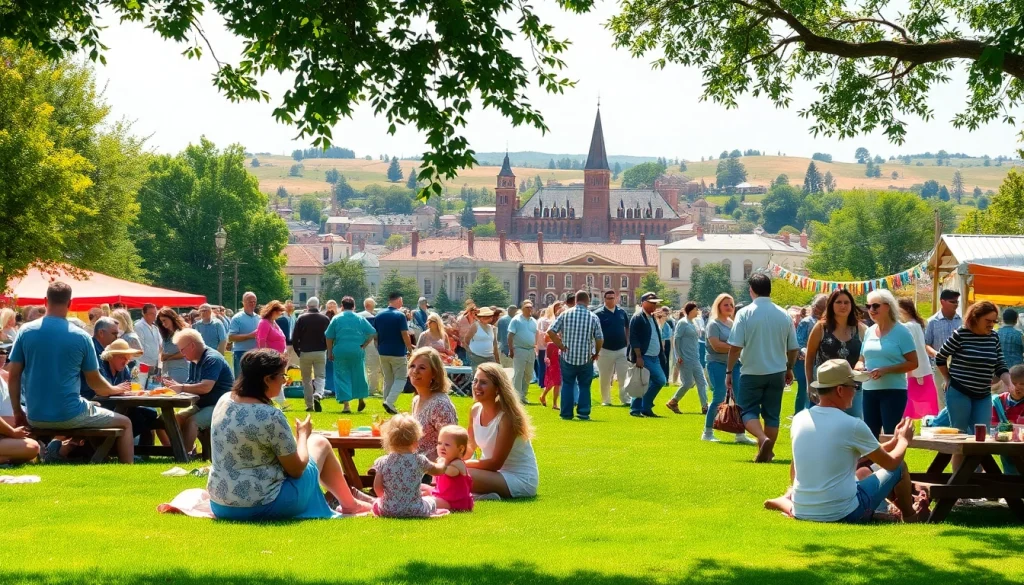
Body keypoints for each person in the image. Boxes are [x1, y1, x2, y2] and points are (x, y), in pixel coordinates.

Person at [208, 349, 372, 520]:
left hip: (221, 504)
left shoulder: (225, 400)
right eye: (282, 377)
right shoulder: (270, 415)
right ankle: (350, 504)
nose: (284, 382)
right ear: (267, 379)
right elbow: (296, 469)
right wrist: (303, 435)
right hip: (264, 505)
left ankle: (350, 503)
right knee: (319, 442)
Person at [765, 359, 926, 523]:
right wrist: (904, 441)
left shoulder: (800, 419)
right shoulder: (852, 425)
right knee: (900, 467)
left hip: (802, 509)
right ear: (840, 390)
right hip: (844, 513)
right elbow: (891, 463)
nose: (856, 391)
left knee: (863, 472)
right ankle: (911, 517)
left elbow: (799, 465)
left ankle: (785, 501)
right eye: (854, 386)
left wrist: (895, 441)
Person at [7, 282, 135, 464]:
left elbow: (13, 375)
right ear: (70, 303)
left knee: (88, 404)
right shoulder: (81, 336)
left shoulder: (24, 332)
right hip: (70, 415)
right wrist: (115, 389)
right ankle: (127, 470)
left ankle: (61, 451)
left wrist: (18, 411)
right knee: (126, 422)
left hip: (35, 415)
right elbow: (95, 383)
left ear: (45, 301)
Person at [726, 273, 799, 463]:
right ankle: (765, 451)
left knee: (746, 410)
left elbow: (735, 347)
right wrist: (789, 368)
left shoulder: (744, 313)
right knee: (772, 414)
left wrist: (728, 371)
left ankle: (761, 438)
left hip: (751, 371)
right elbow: (793, 348)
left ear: (751, 290)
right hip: (777, 371)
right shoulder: (783, 314)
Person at [936, 301, 1011, 452]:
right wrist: (947, 378)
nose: (991, 325)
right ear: (975, 318)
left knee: (982, 437)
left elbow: (1000, 365)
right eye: (987, 321)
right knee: (960, 437)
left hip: (983, 394)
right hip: (959, 392)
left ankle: (977, 474)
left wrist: (1009, 384)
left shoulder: (994, 337)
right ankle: (960, 475)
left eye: (994, 321)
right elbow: (940, 357)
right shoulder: (960, 334)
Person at [465, 363, 539, 499]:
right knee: (449, 471)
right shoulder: (475, 410)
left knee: (459, 473)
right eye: (475, 381)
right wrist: (449, 460)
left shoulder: (507, 418)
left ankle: (476, 496)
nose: (476, 387)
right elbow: (469, 448)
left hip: (517, 478)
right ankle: (483, 495)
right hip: (490, 473)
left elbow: (495, 463)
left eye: (483, 383)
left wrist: (460, 464)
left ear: (498, 389)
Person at [860, 290, 918, 438]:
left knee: (892, 436)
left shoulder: (902, 332)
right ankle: (870, 463)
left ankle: (895, 462)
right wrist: (859, 368)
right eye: (868, 306)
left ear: (888, 306)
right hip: (868, 391)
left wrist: (887, 370)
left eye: (875, 306)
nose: (871, 310)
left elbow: (913, 363)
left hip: (893, 391)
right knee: (870, 438)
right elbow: (861, 359)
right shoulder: (869, 331)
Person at [168, 328, 236, 452]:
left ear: (192, 345)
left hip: (221, 406)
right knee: (175, 418)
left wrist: (181, 388)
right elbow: (191, 384)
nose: (182, 354)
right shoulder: (195, 360)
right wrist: (174, 388)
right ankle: (174, 450)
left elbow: (205, 387)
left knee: (192, 421)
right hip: (204, 405)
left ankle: (185, 455)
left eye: (182, 350)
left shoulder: (212, 359)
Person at [370, 413, 449, 517]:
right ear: (416, 440)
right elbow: (438, 471)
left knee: (376, 503)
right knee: (430, 501)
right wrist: (443, 462)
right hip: (415, 509)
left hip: (389, 510)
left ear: (389, 440)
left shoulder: (382, 462)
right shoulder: (419, 460)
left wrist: (390, 500)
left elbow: (378, 489)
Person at [806, 289, 867, 418]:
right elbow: (809, 356)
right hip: (826, 387)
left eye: (846, 302)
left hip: (853, 387)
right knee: (825, 424)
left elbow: (866, 354)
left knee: (854, 423)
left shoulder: (860, 329)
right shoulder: (821, 328)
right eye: (838, 302)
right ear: (831, 305)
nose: (843, 306)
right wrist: (809, 384)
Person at [702, 294, 755, 443]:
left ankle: (740, 433)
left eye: (731, 305)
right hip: (716, 364)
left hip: (734, 364)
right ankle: (707, 432)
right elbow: (717, 346)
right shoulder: (713, 324)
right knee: (719, 396)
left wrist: (737, 348)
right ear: (718, 306)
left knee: (739, 398)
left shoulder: (732, 323)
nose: (729, 307)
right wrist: (736, 347)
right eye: (726, 304)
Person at [98, 339, 165, 446]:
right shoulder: (101, 368)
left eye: (128, 359)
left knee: (151, 413)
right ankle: (113, 447)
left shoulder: (124, 369)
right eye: (122, 358)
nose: (125, 362)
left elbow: (127, 389)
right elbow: (102, 391)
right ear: (110, 356)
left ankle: (141, 450)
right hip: (102, 407)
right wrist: (118, 390)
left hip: (122, 405)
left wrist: (128, 392)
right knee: (139, 417)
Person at [549, 290, 603, 421]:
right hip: (585, 357)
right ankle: (583, 412)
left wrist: (561, 345)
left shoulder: (565, 314)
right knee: (584, 386)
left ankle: (566, 413)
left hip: (567, 356)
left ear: (576, 300)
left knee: (567, 384)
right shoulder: (593, 317)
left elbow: (550, 331)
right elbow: (599, 338)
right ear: (588, 301)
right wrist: (596, 353)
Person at [325, 296, 376, 414]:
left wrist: (329, 351)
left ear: (342, 306)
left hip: (340, 350)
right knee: (359, 374)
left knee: (341, 376)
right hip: (356, 350)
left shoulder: (336, 319)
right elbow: (372, 332)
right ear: (354, 306)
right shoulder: (360, 318)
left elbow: (329, 336)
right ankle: (361, 398)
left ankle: (346, 405)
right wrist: (364, 344)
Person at [408, 347, 458, 462]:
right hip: (416, 464)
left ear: (434, 374)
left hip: (433, 469)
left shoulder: (439, 405)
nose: (415, 371)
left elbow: (451, 444)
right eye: (412, 366)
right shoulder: (416, 400)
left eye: (422, 368)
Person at [627, 292, 668, 419]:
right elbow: (634, 337)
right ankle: (639, 408)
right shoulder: (638, 317)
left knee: (645, 381)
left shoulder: (651, 317)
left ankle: (643, 407)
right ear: (643, 302)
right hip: (645, 356)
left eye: (655, 303)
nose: (654, 305)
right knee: (656, 380)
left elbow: (656, 336)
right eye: (651, 302)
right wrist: (638, 356)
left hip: (654, 356)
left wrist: (661, 354)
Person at [899, 298, 940, 420]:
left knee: (909, 408)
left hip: (913, 371)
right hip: (923, 369)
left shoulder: (906, 327)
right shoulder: (918, 324)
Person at [376, 292, 415, 415]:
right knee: (401, 378)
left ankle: (386, 401)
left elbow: (375, 335)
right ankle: (390, 401)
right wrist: (410, 349)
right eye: (401, 301)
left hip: (383, 351)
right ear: (398, 300)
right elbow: (405, 334)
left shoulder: (379, 315)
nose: (402, 304)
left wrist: (379, 348)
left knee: (388, 379)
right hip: (397, 352)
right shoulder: (400, 315)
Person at [667, 301, 709, 415]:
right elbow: (676, 339)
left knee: (702, 382)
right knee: (688, 383)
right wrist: (678, 356)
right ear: (690, 310)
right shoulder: (683, 323)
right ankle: (673, 401)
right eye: (696, 309)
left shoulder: (694, 322)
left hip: (695, 357)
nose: (698, 311)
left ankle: (705, 406)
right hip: (685, 358)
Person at [925, 289, 962, 409]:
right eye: (952, 302)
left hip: (958, 364)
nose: (956, 304)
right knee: (942, 397)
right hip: (940, 365)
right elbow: (926, 344)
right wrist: (937, 354)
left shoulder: (961, 321)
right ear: (942, 302)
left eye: (957, 302)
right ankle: (944, 425)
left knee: (958, 396)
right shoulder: (932, 322)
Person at [293, 297, 330, 412]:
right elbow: (328, 336)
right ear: (318, 306)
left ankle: (309, 405)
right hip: (320, 351)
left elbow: (295, 337)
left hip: (305, 351)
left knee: (306, 379)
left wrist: (298, 351)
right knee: (320, 376)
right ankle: (318, 393)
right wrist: (328, 349)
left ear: (307, 306)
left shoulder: (301, 318)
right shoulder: (325, 319)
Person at [595, 290, 630, 407]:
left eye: (612, 298)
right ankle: (606, 400)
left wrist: (628, 342)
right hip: (605, 350)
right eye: (608, 298)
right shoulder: (598, 314)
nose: (611, 300)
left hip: (621, 349)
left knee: (623, 376)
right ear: (604, 299)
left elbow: (627, 327)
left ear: (616, 298)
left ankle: (625, 398)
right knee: (605, 376)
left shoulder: (622, 312)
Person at [794, 295, 827, 415]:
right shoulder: (806, 322)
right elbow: (799, 343)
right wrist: (806, 352)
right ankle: (799, 415)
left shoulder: (825, 322)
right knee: (804, 389)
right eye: (816, 306)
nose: (817, 309)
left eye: (821, 307)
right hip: (803, 362)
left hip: (819, 362)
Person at [429, 425, 474, 512]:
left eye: (447, 444)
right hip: (443, 496)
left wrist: (434, 466)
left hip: (455, 502)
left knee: (430, 501)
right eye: (439, 443)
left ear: (460, 449)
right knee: (422, 487)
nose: (442, 447)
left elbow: (451, 472)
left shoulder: (457, 463)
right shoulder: (443, 461)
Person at [508, 301, 538, 403]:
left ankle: (523, 395)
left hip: (530, 350)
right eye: (527, 307)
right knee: (519, 373)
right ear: (522, 308)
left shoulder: (534, 321)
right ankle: (517, 397)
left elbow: (535, 335)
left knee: (529, 374)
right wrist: (511, 350)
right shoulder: (516, 320)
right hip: (519, 349)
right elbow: (510, 336)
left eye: (531, 307)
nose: (530, 309)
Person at [228, 292, 261, 372]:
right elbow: (231, 337)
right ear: (243, 302)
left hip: (256, 353)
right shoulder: (237, 318)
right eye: (250, 302)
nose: (253, 304)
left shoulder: (259, 318)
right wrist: (250, 336)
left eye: (254, 302)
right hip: (241, 353)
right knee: (241, 380)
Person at [156, 308, 189, 383]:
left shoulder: (183, 332)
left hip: (180, 371)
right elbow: (162, 352)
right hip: (166, 372)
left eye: (164, 320)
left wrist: (168, 357)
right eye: (161, 322)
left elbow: (186, 352)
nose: (163, 324)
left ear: (171, 318)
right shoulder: (166, 335)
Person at [534, 302, 561, 396]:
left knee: (552, 370)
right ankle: (542, 384)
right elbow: (544, 334)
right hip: (546, 347)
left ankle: (545, 387)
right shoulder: (545, 321)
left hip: (553, 347)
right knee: (544, 367)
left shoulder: (554, 320)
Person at [358, 298, 383, 397]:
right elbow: (374, 333)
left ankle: (361, 388)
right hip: (370, 344)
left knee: (359, 368)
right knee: (373, 368)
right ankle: (373, 388)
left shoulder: (358, 316)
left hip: (357, 344)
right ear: (370, 305)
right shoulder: (372, 317)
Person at [466, 306, 500, 373]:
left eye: (490, 316)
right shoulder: (475, 326)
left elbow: (495, 345)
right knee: (478, 376)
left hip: (490, 356)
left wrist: (497, 360)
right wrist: (470, 352)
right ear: (480, 317)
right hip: (477, 356)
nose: (489, 318)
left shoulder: (492, 328)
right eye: (486, 316)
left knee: (493, 377)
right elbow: (466, 340)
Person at [134, 303, 161, 370]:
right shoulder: (138, 327)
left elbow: (160, 345)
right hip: (143, 366)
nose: (154, 316)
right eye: (151, 313)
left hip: (155, 366)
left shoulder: (155, 328)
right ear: (144, 314)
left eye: (155, 313)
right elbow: (139, 349)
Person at [541, 339, 561, 410]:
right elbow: (547, 357)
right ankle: (543, 396)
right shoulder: (550, 344)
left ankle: (554, 404)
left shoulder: (563, 344)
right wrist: (548, 364)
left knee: (557, 384)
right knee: (551, 384)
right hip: (552, 366)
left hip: (560, 366)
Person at [278, 299, 298, 364]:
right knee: (284, 361)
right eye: (287, 306)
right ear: (285, 307)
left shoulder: (293, 316)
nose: (290, 307)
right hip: (284, 342)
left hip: (293, 342)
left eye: (291, 306)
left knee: (292, 362)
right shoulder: (281, 317)